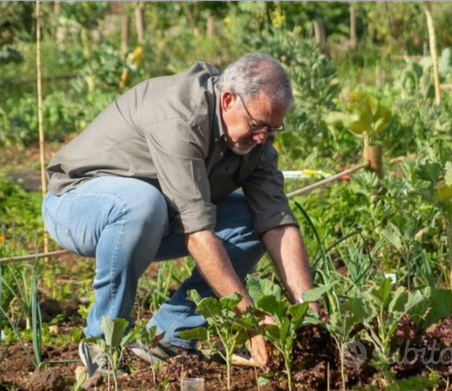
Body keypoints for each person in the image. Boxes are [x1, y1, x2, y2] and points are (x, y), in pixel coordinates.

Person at [42, 53, 319, 377]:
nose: (262, 138)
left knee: (250, 222)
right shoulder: (181, 116)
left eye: (272, 129)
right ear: (228, 100)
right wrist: (251, 321)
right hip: (78, 202)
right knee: (143, 204)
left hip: (155, 215)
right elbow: (198, 234)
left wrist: (309, 312)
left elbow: (277, 223)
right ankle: (102, 342)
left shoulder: (255, 143)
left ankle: (166, 338)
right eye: (257, 125)